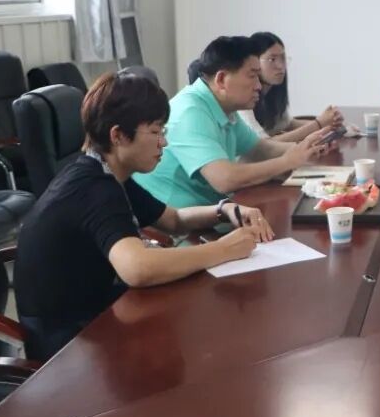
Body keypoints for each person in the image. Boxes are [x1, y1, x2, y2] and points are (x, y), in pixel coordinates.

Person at [14, 72, 274, 361]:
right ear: (118, 135)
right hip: (68, 344)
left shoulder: (107, 172)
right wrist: (224, 249)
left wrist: (223, 209)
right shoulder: (94, 188)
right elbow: (137, 268)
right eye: (155, 132)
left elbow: (174, 219)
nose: (164, 142)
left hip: (96, 311)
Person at [135, 36, 333, 208]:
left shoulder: (223, 106)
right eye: (252, 76)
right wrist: (287, 161)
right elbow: (225, 179)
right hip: (179, 226)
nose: (258, 86)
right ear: (222, 79)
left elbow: (260, 149)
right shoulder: (190, 112)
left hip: (213, 210)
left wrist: (305, 148)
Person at [238, 31, 348, 142]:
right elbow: (263, 146)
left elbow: (287, 124)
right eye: (272, 59)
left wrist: (330, 125)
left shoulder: (272, 93)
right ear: (254, 62)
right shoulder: (243, 101)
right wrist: (318, 124)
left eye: (283, 58)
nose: (281, 66)